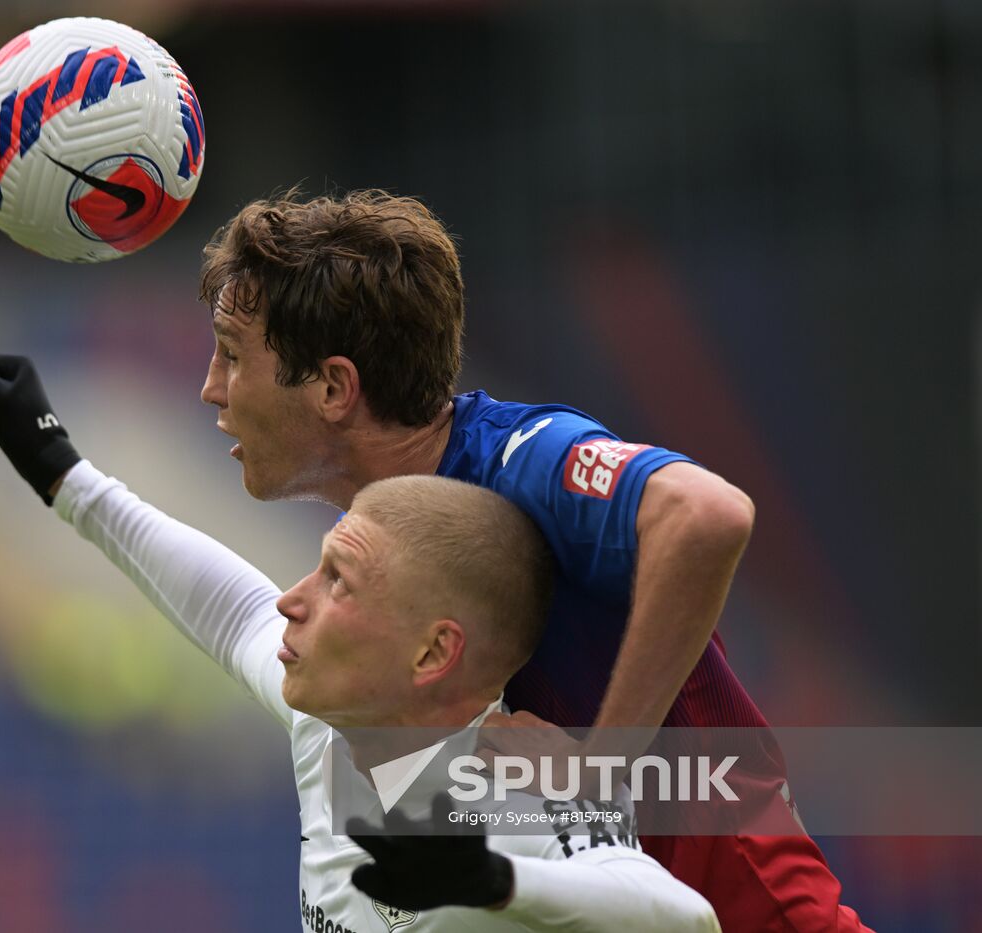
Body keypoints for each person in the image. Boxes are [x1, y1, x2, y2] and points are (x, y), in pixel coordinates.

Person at [190, 190, 869, 932]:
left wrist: (599, 767)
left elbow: (708, 514)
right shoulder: (390, 535)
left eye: (230, 354)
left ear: (333, 386)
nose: (211, 388)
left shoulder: (520, 459)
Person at [0, 346, 720, 931]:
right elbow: (222, 600)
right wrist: (59, 470)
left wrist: (488, 876)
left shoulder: (519, 786)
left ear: (430, 653)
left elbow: (681, 916)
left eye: (339, 580)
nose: (289, 600)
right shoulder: (331, 722)